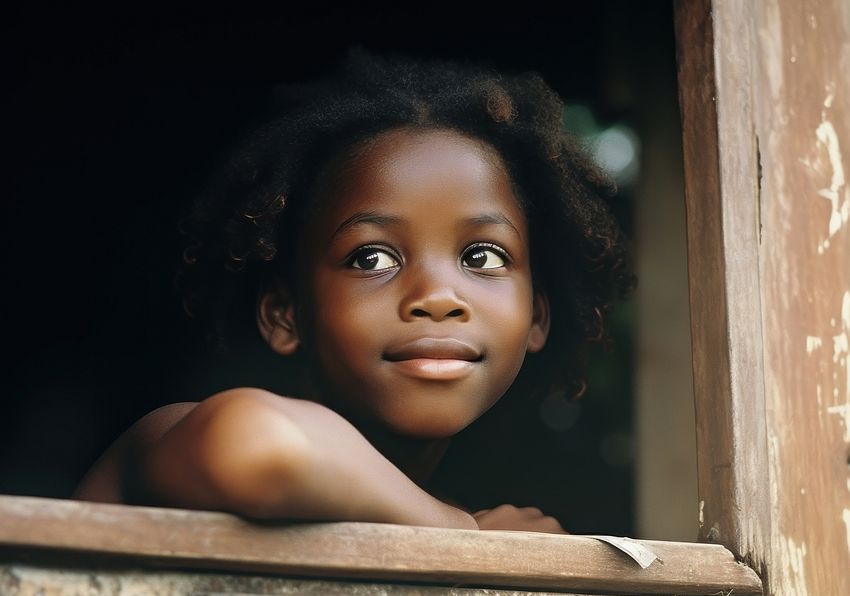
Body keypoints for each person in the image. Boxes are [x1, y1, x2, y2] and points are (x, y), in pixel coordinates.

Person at [74, 51, 633, 533]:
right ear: (284, 313)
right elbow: (256, 444)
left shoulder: (428, 510)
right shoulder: (172, 439)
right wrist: (460, 530)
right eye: (372, 257)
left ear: (537, 317)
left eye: (482, 257)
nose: (437, 296)